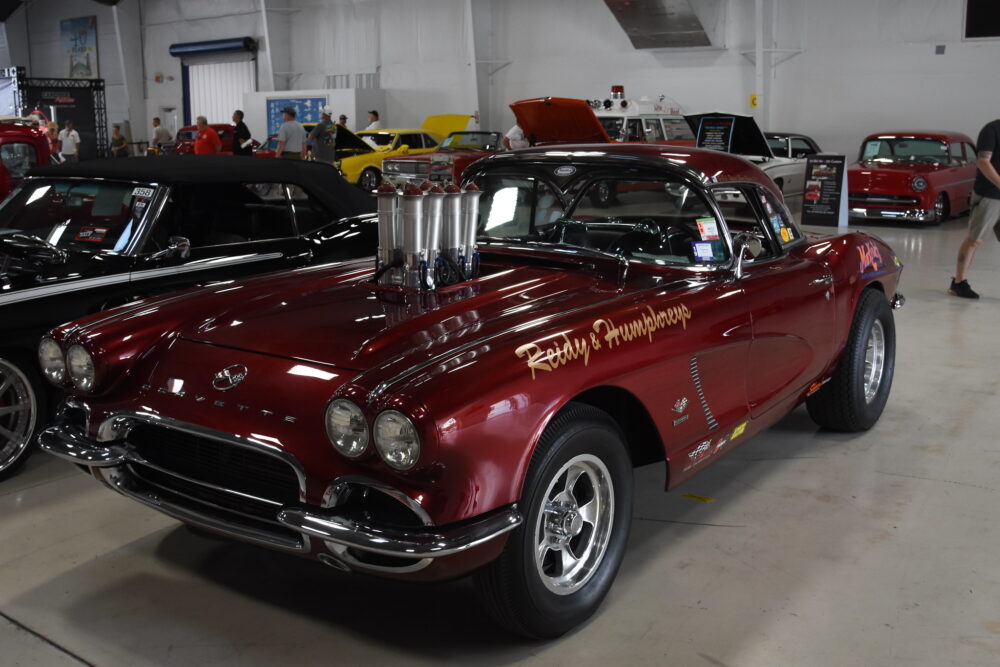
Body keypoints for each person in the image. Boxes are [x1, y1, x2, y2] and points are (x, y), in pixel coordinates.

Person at [949, 118, 1000, 299]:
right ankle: (959, 283)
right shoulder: (992, 129)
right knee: (975, 239)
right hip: (990, 195)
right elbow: (983, 162)